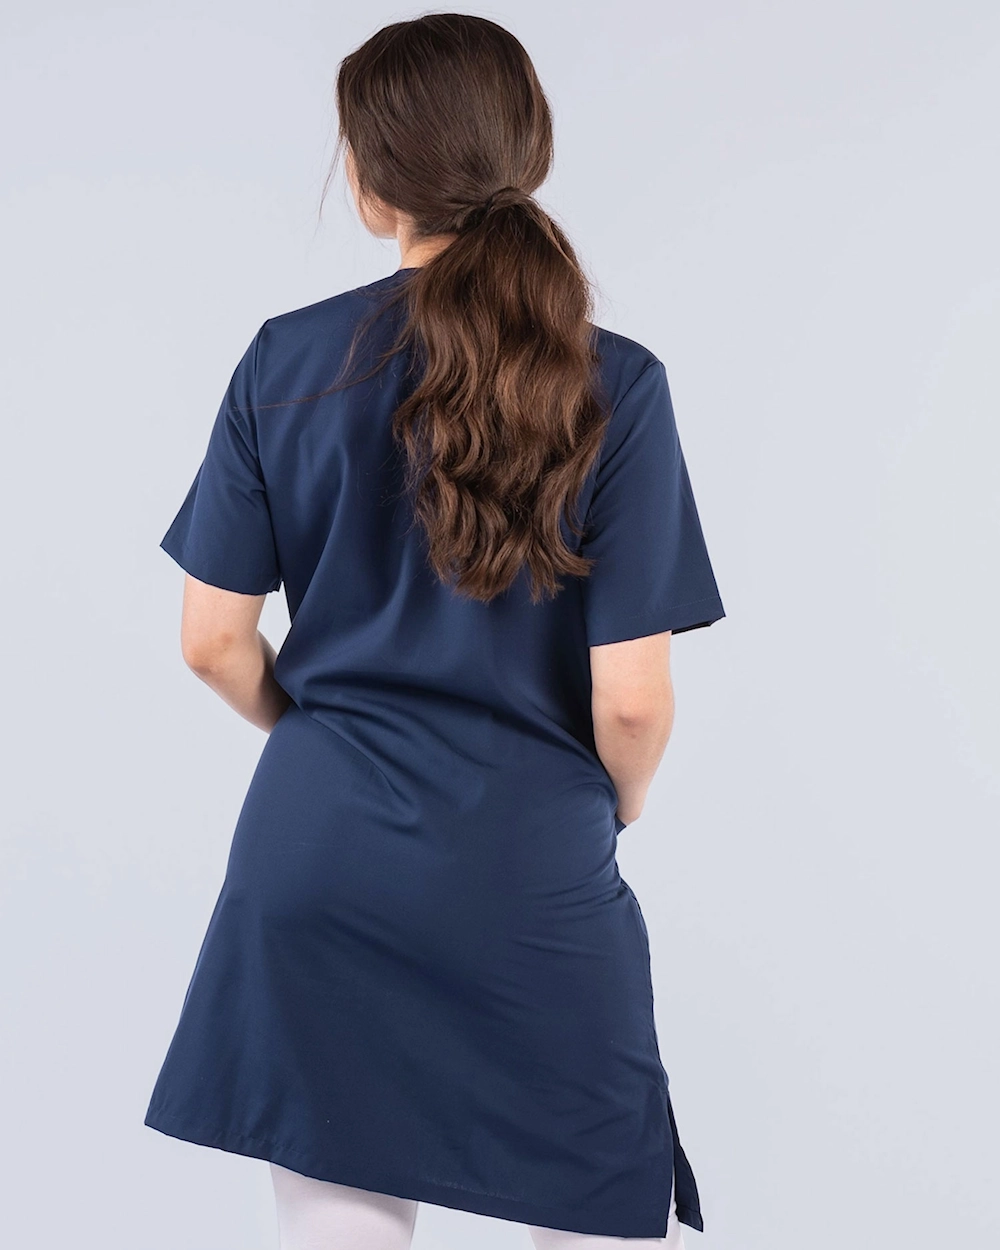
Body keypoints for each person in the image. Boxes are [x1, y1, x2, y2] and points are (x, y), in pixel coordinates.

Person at [143, 13, 726, 1249]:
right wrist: (607, 803)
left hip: (317, 855)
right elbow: (632, 699)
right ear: (526, 152)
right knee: (589, 1206)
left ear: (370, 182)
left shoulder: (285, 361)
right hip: (529, 864)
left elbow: (210, 640)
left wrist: (321, 737)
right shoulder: (617, 383)